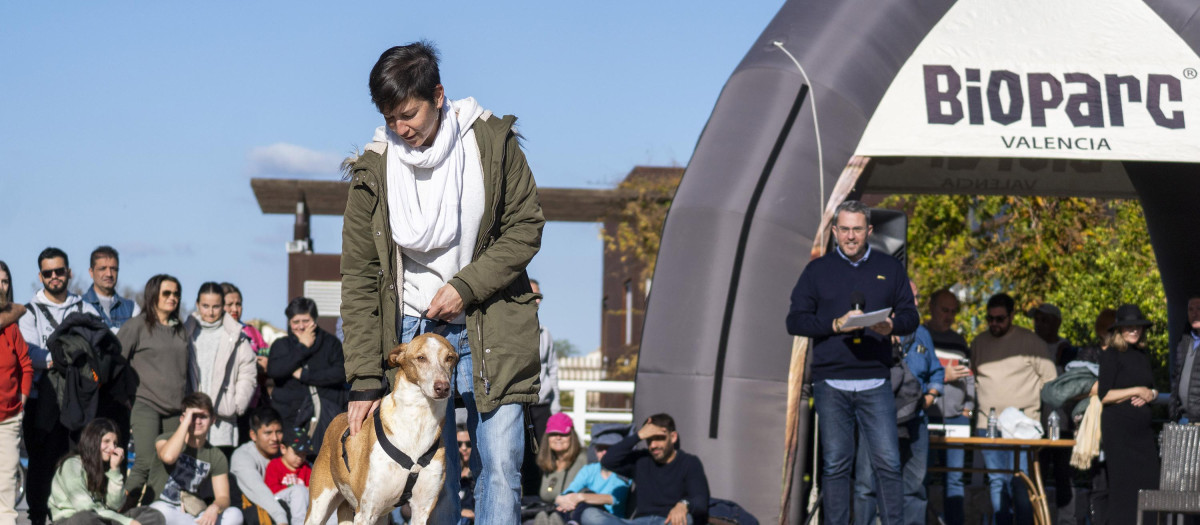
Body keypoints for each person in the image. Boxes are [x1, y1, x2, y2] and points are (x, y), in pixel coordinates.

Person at [339, 41, 545, 524]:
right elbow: (360, 277)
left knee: (500, 467)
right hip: (411, 335)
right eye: (389, 118)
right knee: (433, 476)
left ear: (438, 95)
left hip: (491, 324)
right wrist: (365, 380)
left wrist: (465, 287)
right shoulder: (374, 169)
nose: (400, 129)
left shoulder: (491, 143)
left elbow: (525, 227)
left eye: (409, 114)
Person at [785, 200, 919, 524]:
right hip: (831, 383)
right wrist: (834, 324)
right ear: (834, 231)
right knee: (835, 465)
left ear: (869, 230)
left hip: (876, 381)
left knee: (888, 464)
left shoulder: (890, 268)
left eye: (857, 229)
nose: (850, 236)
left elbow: (911, 316)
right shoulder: (817, 270)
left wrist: (891, 325)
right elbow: (795, 321)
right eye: (844, 229)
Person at [20, 247, 102, 525]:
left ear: (69, 272)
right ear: (40, 277)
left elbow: (98, 348)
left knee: (77, 463)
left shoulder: (85, 309)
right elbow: (30, 354)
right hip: (42, 401)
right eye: (48, 273)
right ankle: (37, 518)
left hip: (79, 402)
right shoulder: (30, 311)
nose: (54, 277)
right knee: (40, 466)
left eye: (59, 271)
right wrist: (67, 357)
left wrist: (60, 358)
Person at [854, 280, 943, 525]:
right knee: (866, 485)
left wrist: (930, 396)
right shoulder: (870, 329)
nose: (914, 302)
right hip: (877, 418)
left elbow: (937, 371)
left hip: (916, 419)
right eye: (909, 297)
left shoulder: (922, 333)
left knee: (914, 486)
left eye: (916, 297)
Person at [970, 293, 1057, 525]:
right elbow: (973, 377)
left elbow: (1050, 380)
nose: (994, 324)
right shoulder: (979, 342)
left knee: (1021, 482)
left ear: (1011, 316)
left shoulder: (1031, 342)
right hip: (987, 424)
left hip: (1022, 426)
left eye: (1000, 319)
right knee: (997, 481)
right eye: (990, 319)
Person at [120, 275, 192, 501]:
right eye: (166, 293)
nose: (173, 297)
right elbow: (116, 363)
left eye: (176, 293)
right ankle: (121, 511)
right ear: (153, 295)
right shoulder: (136, 326)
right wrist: (126, 398)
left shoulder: (181, 330)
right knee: (144, 461)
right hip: (145, 403)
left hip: (175, 409)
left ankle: (149, 512)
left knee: (167, 464)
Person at [582, 414, 709, 525]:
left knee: (686, 519)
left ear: (673, 437)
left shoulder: (689, 462)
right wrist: (638, 435)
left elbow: (701, 500)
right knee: (589, 515)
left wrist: (684, 504)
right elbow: (608, 461)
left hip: (667, 521)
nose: (653, 445)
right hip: (639, 522)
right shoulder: (641, 459)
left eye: (659, 438)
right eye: (649, 440)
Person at [1097, 304, 1160, 525]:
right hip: (1119, 434)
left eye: (1137, 327)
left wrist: (1151, 394)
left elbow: (1152, 387)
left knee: (1150, 483)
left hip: (1142, 435)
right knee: (1124, 488)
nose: (1134, 330)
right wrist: (1135, 391)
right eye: (1129, 327)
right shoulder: (1111, 354)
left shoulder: (1142, 354)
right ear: (1119, 330)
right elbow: (1104, 395)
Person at [147, 393, 243, 525]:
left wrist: (214, 507)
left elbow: (223, 497)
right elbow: (168, 457)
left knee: (235, 514)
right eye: (193, 416)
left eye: (203, 417)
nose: (197, 422)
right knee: (159, 511)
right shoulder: (165, 439)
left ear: (213, 420)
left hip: (193, 514)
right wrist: (186, 422)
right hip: (165, 508)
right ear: (183, 419)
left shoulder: (216, 456)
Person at [266, 297, 347, 454]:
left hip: (324, 418)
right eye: (296, 322)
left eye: (306, 321)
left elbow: (340, 373)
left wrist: (305, 375)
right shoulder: (281, 345)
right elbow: (274, 370)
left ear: (315, 320)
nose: (301, 326)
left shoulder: (330, 343)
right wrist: (303, 347)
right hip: (289, 420)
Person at [47, 418, 163, 525]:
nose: (112, 448)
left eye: (115, 443)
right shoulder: (72, 465)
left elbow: (115, 506)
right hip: (72, 520)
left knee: (152, 515)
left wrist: (115, 470)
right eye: (106, 441)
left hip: (104, 518)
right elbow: (86, 508)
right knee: (85, 518)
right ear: (93, 441)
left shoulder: (107, 466)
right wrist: (127, 522)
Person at [922, 288, 974, 525]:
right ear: (931, 308)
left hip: (956, 418)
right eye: (945, 310)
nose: (949, 316)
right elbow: (912, 375)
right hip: (926, 415)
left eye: (954, 311)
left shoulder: (959, 341)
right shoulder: (920, 336)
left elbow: (969, 376)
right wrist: (944, 375)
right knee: (920, 477)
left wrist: (967, 409)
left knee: (954, 479)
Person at [186, 282, 257, 455]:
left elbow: (248, 372)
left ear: (222, 306)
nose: (210, 312)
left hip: (223, 422)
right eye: (205, 306)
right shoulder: (186, 334)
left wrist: (236, 404)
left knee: (220, 468)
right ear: (197, 305)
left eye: (216, 306)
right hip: (191, 420)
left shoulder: (236, 335)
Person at [1029, 303, 1076, 525]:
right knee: (1034, 477)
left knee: (1064, 477)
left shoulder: (1067, 352)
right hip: (1035, 426)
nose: (1038, 324)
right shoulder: (1029, 348)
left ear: (1057, 323)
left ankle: (1066, 521)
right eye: (1036, 319)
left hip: (1062, 424)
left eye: (1044, 320)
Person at [0, 260, 32, 525]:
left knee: (7, 484)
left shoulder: (11, 328)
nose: (0, 287)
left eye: (4, 281)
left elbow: (26, 366)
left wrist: (21, 403)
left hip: (8, 418)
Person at [220, 283, 271, 447]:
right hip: (224, 403)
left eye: (238, 304)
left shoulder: (252, 332)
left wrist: (265, 364)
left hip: (252, 402)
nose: (235, 309)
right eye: (229, 304)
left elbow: (266, 355)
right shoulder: (216, 331)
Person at [523, 279, 560, 498]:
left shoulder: (545, 333)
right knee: (522, 451)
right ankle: (524, 498)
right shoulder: (513, 330)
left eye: (538, 296)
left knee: (543, 454)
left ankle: (539, 498)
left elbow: (553, 370)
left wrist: (556, 407)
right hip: (520, 403)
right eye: (531, 294)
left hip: (542, 405)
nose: (535, 300)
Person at [554, 425, 630, 524]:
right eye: (600, 449)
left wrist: (582, 497)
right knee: (561, 509)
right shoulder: (590, 469)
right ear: (595, 451)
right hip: (580, 513)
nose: (604, 453)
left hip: (609, 519)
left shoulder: (625, 472)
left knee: (587, 502)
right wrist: (562, 500)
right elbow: (570, 490)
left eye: (609, 449)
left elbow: (614, 499)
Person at [229, 407, 289, 525]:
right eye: (268, 433)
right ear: (253, 435)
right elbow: (259, 491)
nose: (275, 438)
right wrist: (281, 518)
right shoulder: (242, 456)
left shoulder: (286, 452)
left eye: (279, 432)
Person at [526, 413, 586, 525]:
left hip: (574, 514)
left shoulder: (584, 459)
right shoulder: (544, 462)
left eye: (563, 434)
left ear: (572, 435)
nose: (558, 437)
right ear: (547, 437)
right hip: (547, 513)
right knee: (541, 517)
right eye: (553, 433)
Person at [80, 246, 141, 332]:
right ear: (91, 272)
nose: (109, 274)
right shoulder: (79, 306)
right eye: (102, 268)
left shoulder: (132, 309)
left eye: (113, 269)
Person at [262, 430, 312, 525]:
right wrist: (297, 489)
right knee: (299, 491)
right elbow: (271, 489)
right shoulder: (274, 465)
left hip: (301, 502)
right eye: (297, 453)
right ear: (283, 449)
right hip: (279, 500)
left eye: (304, 454)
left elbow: (311, 486)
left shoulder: (305, 467)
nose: (300, 458)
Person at [1169, 293, 1200, 424]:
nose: (1195, 313)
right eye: (1190, 309)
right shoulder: (1184, 341)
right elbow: (1176, 378)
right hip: (1183, 420)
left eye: (1199, 309)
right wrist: (1173, 412)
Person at [456, 425, 476, 524]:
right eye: (459, 444)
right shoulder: (449, 475)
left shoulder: (481, 475)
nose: (464, 448)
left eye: (468, 444)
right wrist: (461, 512)